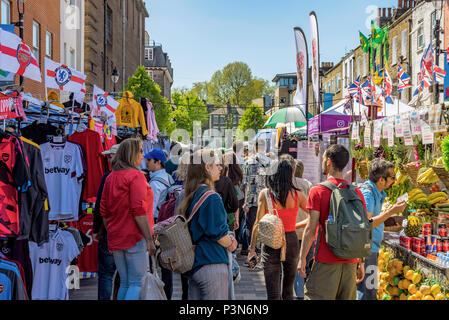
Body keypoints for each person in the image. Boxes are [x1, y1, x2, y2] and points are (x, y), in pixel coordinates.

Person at [297, 144, 367, 300]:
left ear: (328, 162)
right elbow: (361, 229)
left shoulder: (318, 191)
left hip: (325, 261)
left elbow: (311, 228)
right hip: (350, 263)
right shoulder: (356, 192)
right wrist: (360, 261)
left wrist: (302, 258)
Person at [100, 138, 156, 300]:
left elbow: (104, 211)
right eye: (140, 151)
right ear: (132, 154)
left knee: (125, 282)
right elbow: (138, 209)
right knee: (136, 282)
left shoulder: (111, 177)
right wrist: (149, 238)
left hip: (116, 236)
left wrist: (112, 230)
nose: (143, 155)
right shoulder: (136, 176)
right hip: (135, 236)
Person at [177, 149, 238, 300]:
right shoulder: (211, 198)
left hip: (196, 265)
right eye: (217, 165)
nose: (220, 168)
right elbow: (218, 234)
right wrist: (231, 242)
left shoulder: (190, 195)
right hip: (212, 262)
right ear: (207, 167)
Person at [247, 154, 308, 300]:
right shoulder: (297, 195)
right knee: (288, 291)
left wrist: (252, 249)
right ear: (290, 173)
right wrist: (296, 225)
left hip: (270, 242)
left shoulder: (266, 194)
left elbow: (257, 223)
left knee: (272, 293)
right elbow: (313, 215)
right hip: (291, 240)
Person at [357, 159, 407, 300]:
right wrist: (392, 211)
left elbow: (374, 221)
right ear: (381, 180)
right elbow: (367, 223)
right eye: (392, 177)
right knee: (368, 292)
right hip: (367, 251)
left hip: (370, 249)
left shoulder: (375, 192)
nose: (395, 180)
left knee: (369, 290)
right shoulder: (368, 194)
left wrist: (389, 226)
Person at [145, 148, 175, 300]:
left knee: (153, 265)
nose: (146, 162)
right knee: (166, 265)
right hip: (168, 225)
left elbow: (150, 209)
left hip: (156, 225)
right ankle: (167, 295)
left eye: (149, 160)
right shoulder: (169, 178)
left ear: (158, 163)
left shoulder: (155, 184)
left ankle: (156, 295)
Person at [93, 143, 120, 300]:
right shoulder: (136, 176)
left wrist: (97, 229)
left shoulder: (108, 177)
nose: (109, 159)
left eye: (111, 156)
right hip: (127, 235)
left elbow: (99, 206)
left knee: (106, 274)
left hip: (110, 232)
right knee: (123, 275)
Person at [241, 138, 270, 256]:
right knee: (264, 225)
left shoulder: (248, 162)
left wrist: (246, 202)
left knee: (251, 225)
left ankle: (250, 250)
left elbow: (245, 183)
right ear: (264, 147)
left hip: (252, 199)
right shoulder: (269, 162)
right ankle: (260, 249)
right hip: (266, 199)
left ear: (254, 147)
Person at [291, 159, 314, 299]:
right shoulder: (308, 185)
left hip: (291, 230)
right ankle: (304, 293)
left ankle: (298, 293)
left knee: (292, 265)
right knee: (306, 264)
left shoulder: (288, 184)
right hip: (306, 230)